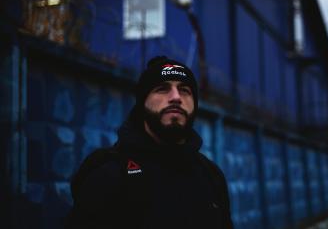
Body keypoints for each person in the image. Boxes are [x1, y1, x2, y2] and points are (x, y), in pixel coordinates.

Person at [65, 56, 234, 229]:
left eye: (184, 90)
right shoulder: (110, 174)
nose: (176, 97)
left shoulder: (211, 175)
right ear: (142, 103)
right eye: (162, 89)